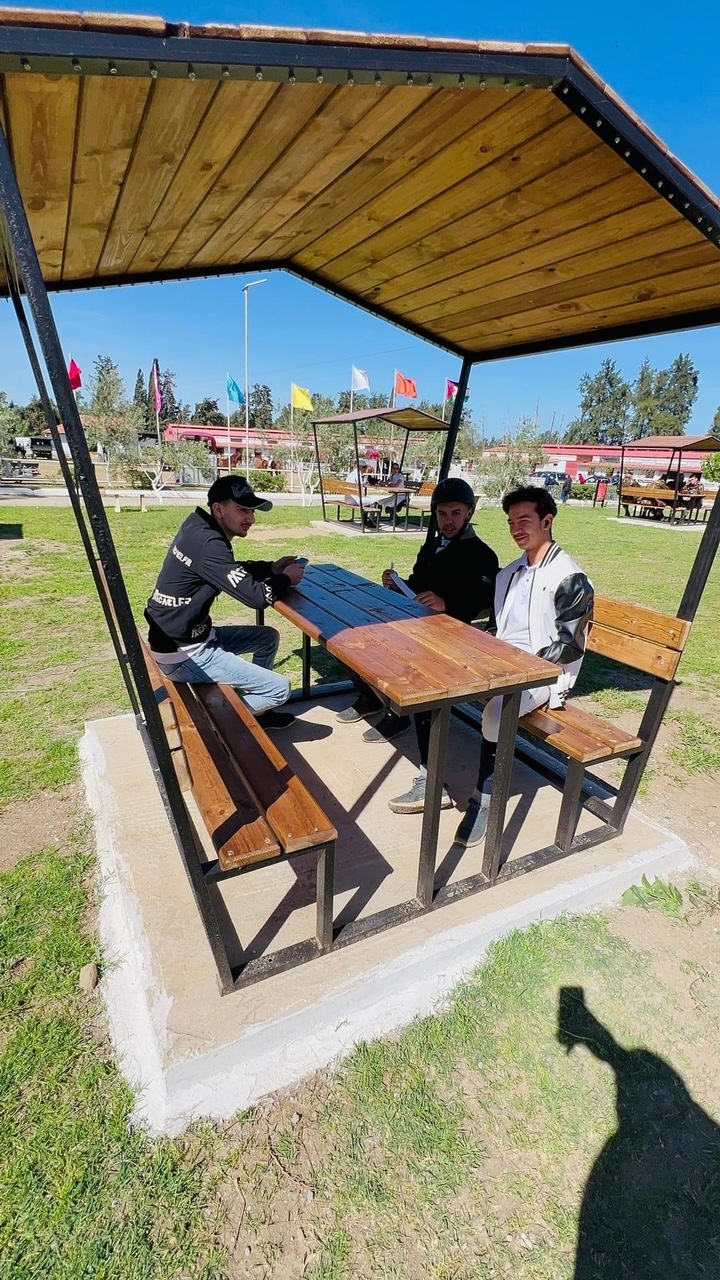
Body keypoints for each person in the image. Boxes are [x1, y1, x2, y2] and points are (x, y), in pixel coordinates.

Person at [336, 478, 500, 814]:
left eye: (455, 513)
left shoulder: (481, 554)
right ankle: (394, 712)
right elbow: (419, 585)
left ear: (469, 512)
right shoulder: (432, 546)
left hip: (454, 640)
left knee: (421, 684)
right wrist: (398, 584)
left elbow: (483, 599)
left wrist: (446, 602)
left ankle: (432, 781)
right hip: (418, 631)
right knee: (354, 642)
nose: (448, 520)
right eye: (442, 514)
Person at [452, 485, 593, 846]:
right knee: (440, 677)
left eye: (525, 520)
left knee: (496, 713)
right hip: (502, 662)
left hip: (544, 674)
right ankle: (428, 774)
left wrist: (520, 670)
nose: (516, 528)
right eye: (512, 521)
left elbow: (569, 645)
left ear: (548, 521)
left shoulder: (569, 578)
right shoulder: (510, 573)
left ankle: (484, 799)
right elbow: (499, 627)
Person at [145, 475, 305, 729]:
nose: (251, 519)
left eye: (252, 511)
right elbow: (257, 598)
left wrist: (271, 569)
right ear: (218, 509)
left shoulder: (198, 528)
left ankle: (258, 713)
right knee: (279, 689)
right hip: (185, 654)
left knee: (268, 637)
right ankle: (223, 723)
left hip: (183, 638)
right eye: (243, 510)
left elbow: (227, 570)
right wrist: (285, 579)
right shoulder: (209, 544)